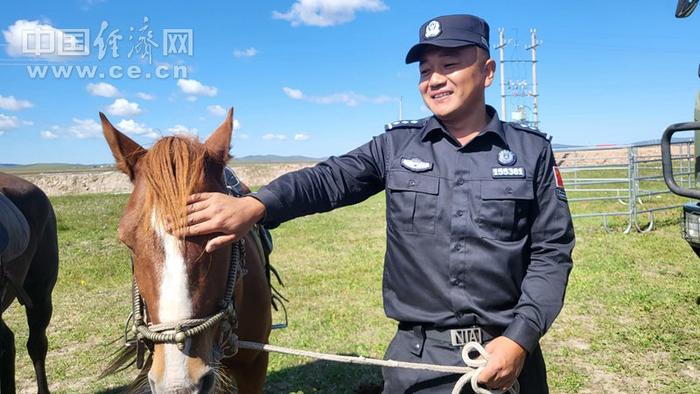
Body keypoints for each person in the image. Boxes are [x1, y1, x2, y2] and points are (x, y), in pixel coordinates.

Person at [182, 14, 574, 393]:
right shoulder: (395, 147)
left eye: (449, 64)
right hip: (418, 362)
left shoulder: (531, 152)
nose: (434, 80)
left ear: (487, 71)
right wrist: (256, 206)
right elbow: (329, 179)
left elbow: (551, 253)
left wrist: (519, 340)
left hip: (508, 356)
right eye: (424, 70)